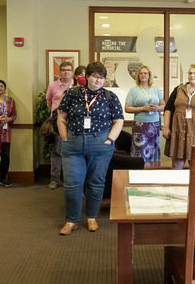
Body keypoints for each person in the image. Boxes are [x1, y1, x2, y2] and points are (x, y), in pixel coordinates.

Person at [57, 61, 125, 235]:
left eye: (101, 78)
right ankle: (72, 220)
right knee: (73, 183)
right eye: (95, 76)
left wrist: (110, 140)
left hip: (100, 144)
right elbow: (61, 116)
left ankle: (91, 217)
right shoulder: (72, 94)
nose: (98, 80)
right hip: (73, 144)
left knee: (96, 182)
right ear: (86, 76)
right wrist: (65, 138)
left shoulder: (109, 97)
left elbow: (118, 120)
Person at [123, 65, 163, 168]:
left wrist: (158, 108)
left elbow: (164, 105)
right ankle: (139, 173)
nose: (143, 75)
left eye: (145, 73)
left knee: (153, 150)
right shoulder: (133, 90)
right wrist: (142, 108)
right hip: (140, 126)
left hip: (154, 125)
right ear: (138, 76)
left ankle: (153, 173)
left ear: (149, 75)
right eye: (141, 73)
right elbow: (127, 108)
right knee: (140, 150)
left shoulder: (155, 89)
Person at [45, 60, 76, 189]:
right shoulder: (53, 86)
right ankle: (55, 179)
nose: (66, 72)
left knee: (73, 151)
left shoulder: (76, 86)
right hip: (58, 121)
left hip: (73, 122)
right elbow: (48, 103)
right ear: (60, 72)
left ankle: (70, 178)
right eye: (63, 70)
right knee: (57, 150)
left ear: (72, 72)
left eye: (69, 70)